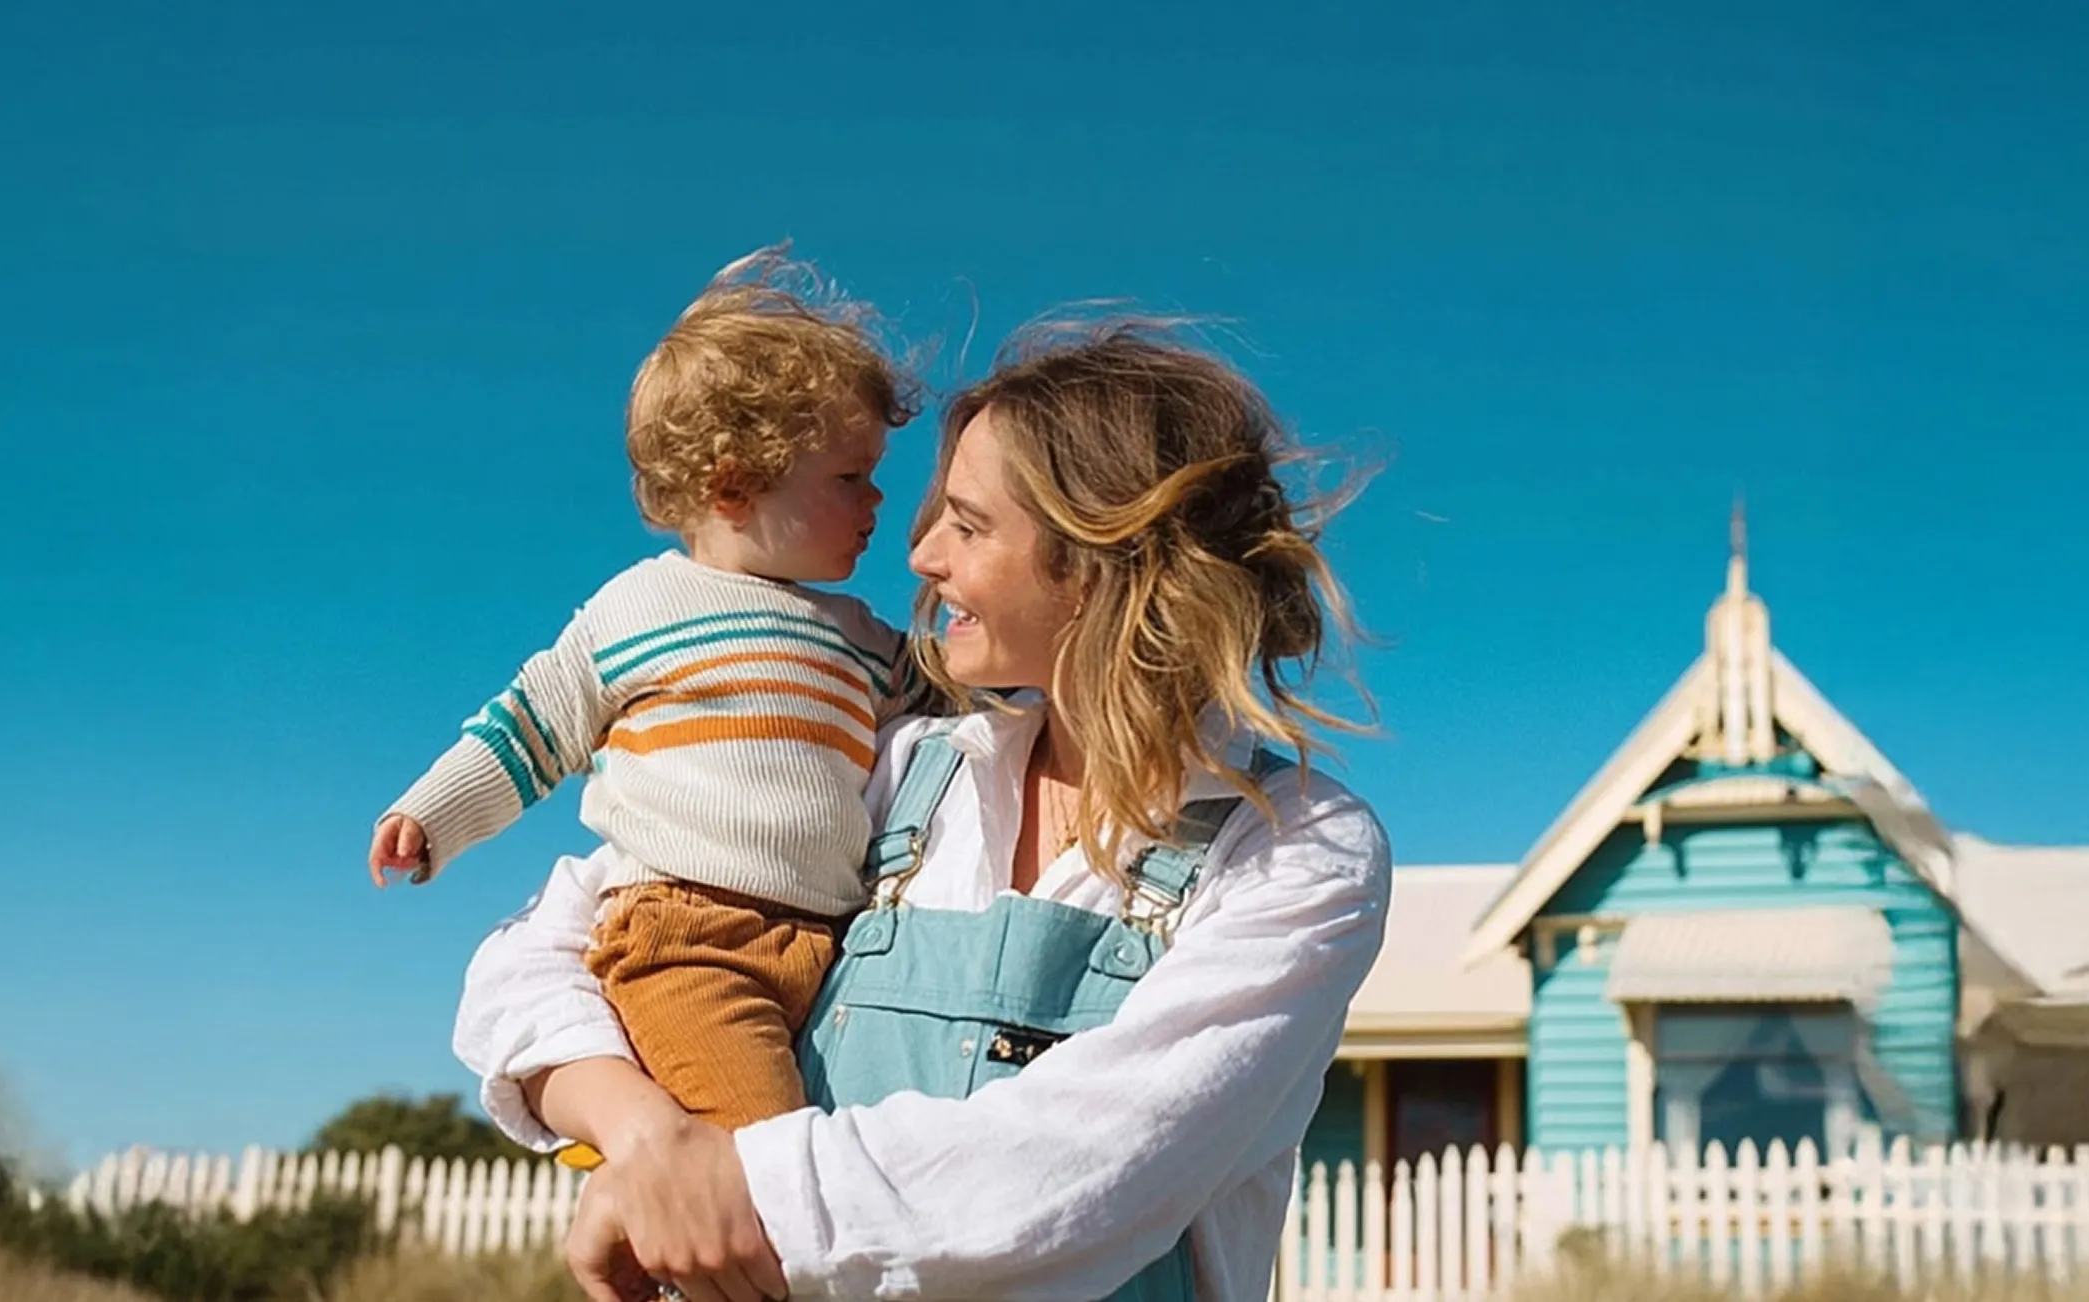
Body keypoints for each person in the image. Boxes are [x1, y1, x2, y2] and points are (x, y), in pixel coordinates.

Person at [452, 319, 1394, 1302]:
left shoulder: (1299, 848)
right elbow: (533, 955)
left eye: (968, 524)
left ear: (1102, 560)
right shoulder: (896, 771)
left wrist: (731, 1187)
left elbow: (1084, 1166)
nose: (920, 556)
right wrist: (651, 1143)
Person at [372, 246, 929, 1132]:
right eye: (849, 478)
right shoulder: (642, 606)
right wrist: (431, 814)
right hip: (691, 942)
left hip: (835, 943)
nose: (878, 500)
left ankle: (648, 1239)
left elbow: (962, 713)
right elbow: (532, 723)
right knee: (763, 1157)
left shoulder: (862, 635)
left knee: (819, 1150)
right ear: (735, 486)